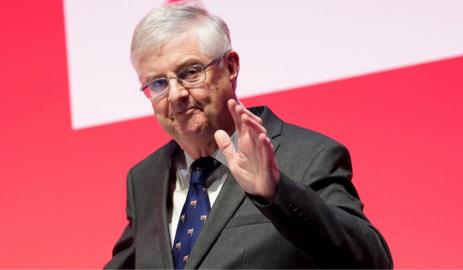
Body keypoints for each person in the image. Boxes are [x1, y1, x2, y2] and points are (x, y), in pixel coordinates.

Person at [105, 2, 392, 269]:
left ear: (230, 67)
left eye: (190, 72)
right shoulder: (145, 178)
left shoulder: (307, 156)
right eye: (158, 83)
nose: (176, 95)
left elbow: (372, 261)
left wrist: (275, 193)